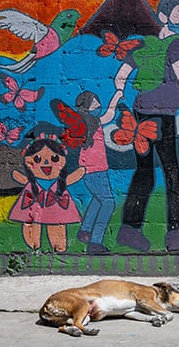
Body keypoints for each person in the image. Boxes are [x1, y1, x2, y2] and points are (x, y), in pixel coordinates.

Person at [113, 0, 179, 252]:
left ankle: (129, 230)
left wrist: (119, 94)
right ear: (164, 16)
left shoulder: (146, 45)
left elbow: (121, 75)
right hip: (163, 116)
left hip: (140, 115)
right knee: (171, 173)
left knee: (144, 172)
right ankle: (177, 235)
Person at [9, 133, 85, 252]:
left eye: (54, 158)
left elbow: (70, 179)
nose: (45, 163)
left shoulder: (59, 182)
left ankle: (58, 245)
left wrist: (78, 173)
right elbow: (22, 179)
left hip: (55, 203)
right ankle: (34, 243)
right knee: (32, 222)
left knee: (56, 223)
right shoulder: (32, 182)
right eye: (37, 159)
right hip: (34, 201)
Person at [73, 90, 122, 255]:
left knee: (97, 199)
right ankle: (95, 243)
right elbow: (109, 115)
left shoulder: (88, 121)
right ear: (86, 106)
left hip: (94, 169)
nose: (98, 105)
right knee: (108, 203)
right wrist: (117, 95)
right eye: (94, 103)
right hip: (95, 171)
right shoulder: (90, 122)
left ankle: (85, 231)